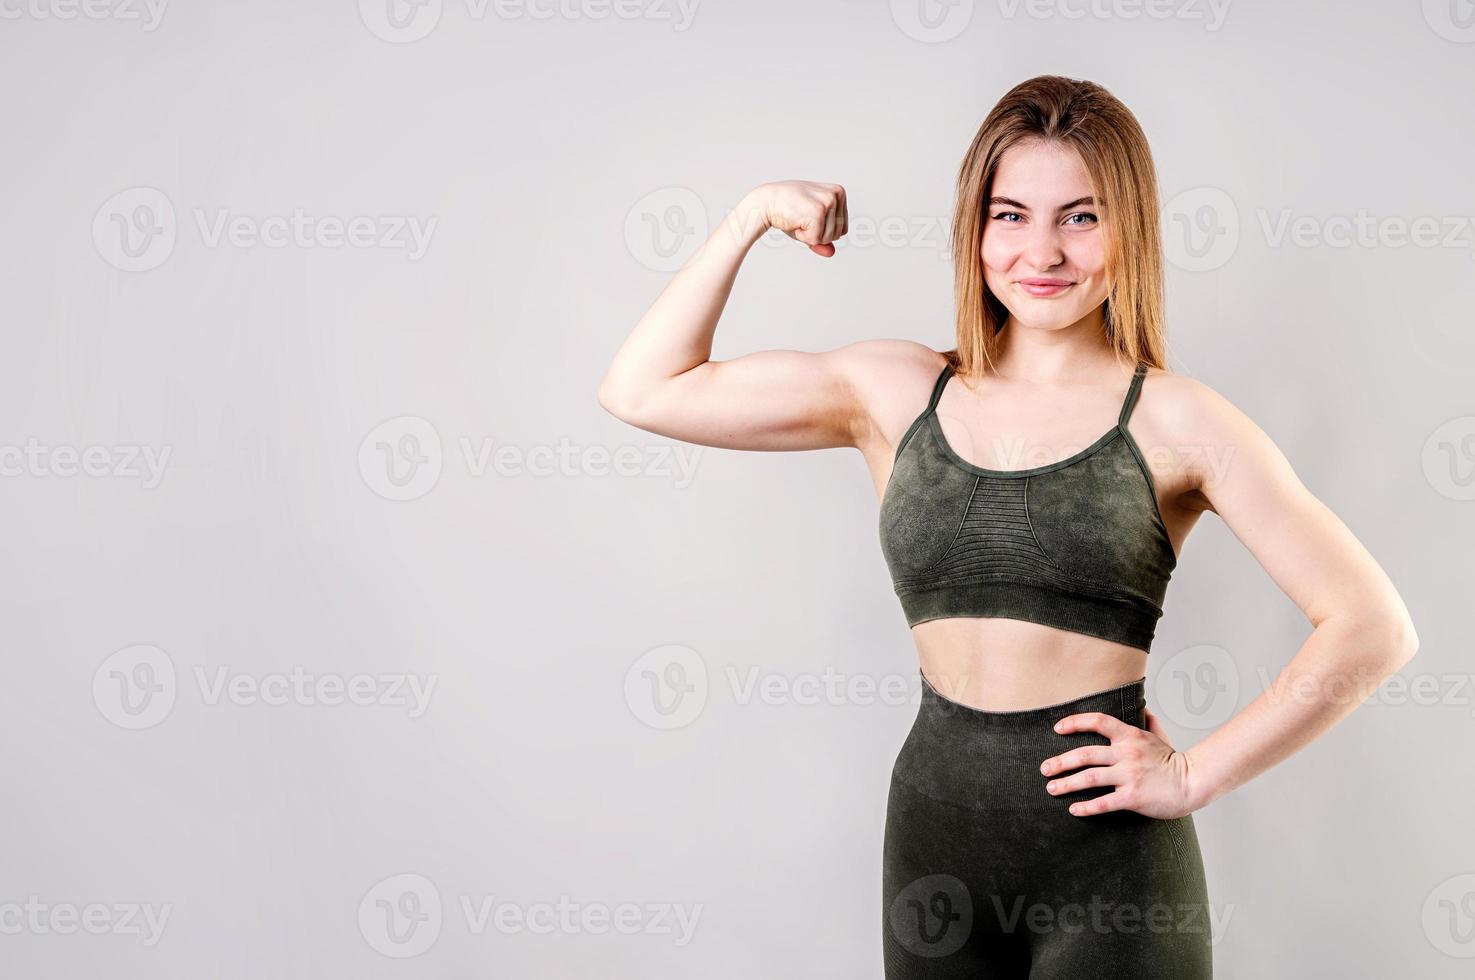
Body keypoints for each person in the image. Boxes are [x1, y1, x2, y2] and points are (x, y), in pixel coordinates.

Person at [597, 74, 1418, 978]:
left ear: (1128, 230)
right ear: (973, 229)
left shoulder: (1180, 422)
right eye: (1009, 214)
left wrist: (1195, 775)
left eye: (1079, 217)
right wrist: (749, 215)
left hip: (1109, 870)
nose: (1041, 252)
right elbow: (643, 389)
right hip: (931, 848)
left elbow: (1372, 627)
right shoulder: (894, 390)